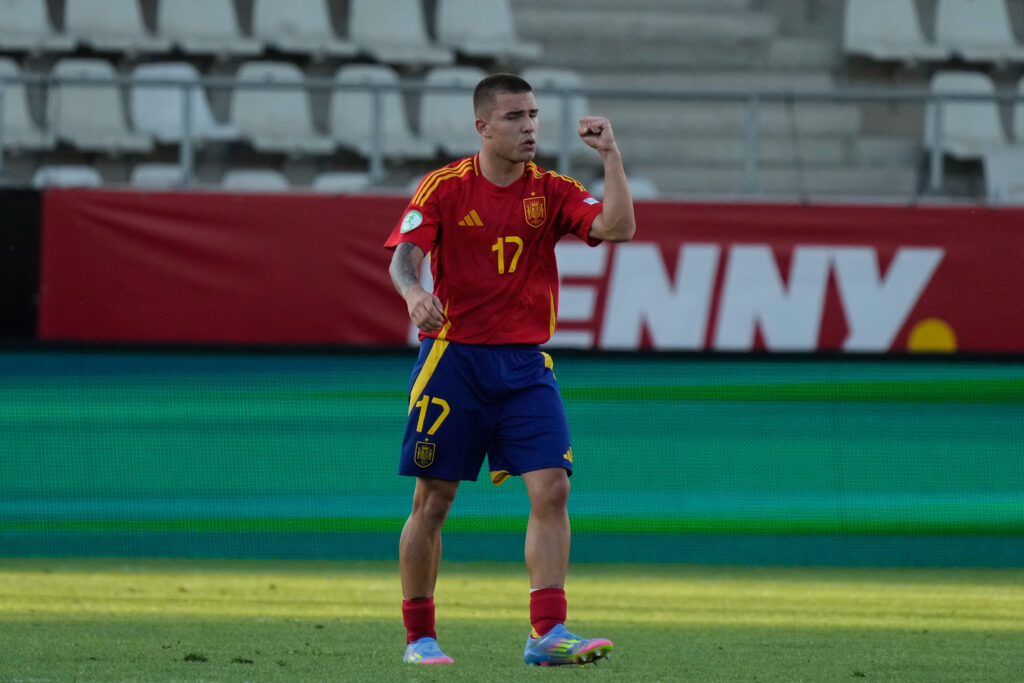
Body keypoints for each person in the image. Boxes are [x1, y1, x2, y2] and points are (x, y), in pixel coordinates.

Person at [384, 72, 636, 667]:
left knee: (554, 488)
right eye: (514, 117)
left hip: (525, 366)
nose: (529, 128)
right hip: (453, 361)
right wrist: (414, 293)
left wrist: (610, 156)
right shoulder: (445, 187)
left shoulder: (551, 190)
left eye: (533, 116)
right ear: (482, 126)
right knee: (434, 501)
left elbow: (619, 227)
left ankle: (547, 632)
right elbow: (403, 259)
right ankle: (420, 638)